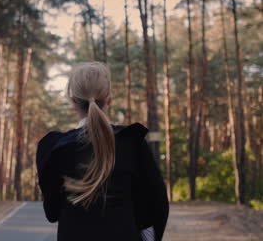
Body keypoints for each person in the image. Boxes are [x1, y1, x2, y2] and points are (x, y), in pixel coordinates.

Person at [36, 62, 169, 241]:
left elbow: (51, 212)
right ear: (109, 100)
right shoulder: (132, 143)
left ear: (73, 102)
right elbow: (157, 206)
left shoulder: (55, 148)